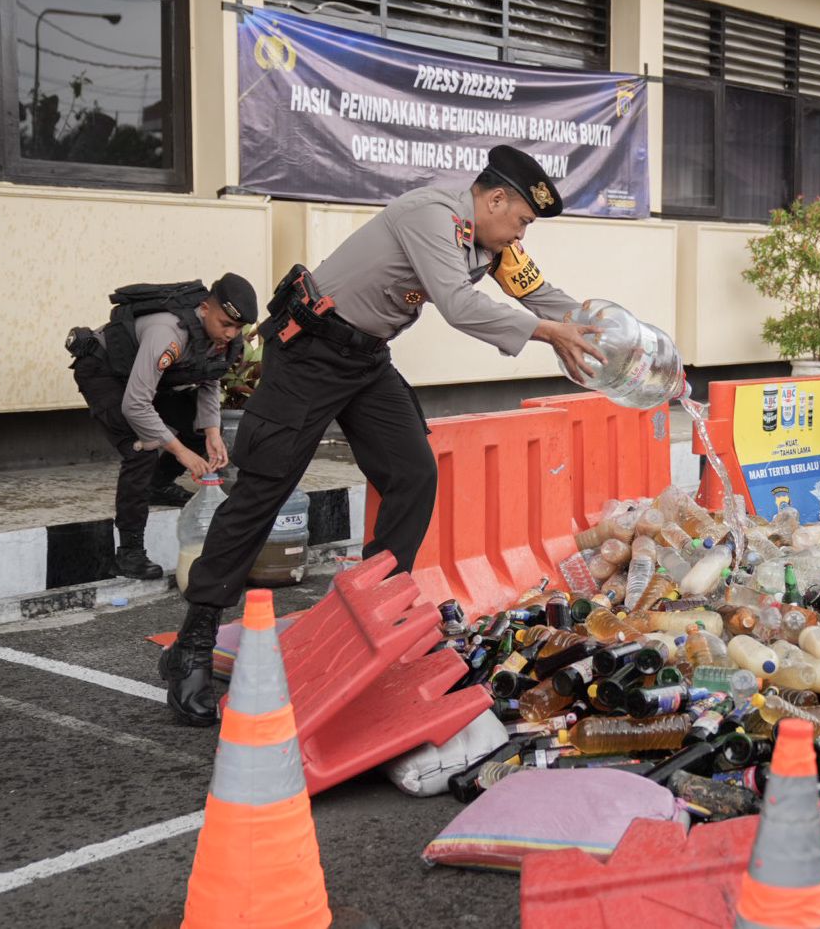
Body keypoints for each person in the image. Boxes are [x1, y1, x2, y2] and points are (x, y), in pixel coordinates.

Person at [159, 145, 606, 726]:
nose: (521, 235)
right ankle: (192, 643)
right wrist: (552, 335)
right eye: (521, 220)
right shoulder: (434, 217)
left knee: (412, 473)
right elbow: (459, 304)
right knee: (262, 491)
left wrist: (598, 330)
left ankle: (374, 616)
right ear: (495, 198)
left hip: (366, 359)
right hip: (310, 350)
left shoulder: (492, 242)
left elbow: (540, 295)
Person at [67, 275, 256, 580]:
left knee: (199, 427)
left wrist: (211, 433)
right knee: (142, 446)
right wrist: (181, 452)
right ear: (205, 308)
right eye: (225, 324)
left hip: (141, 378)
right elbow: (135, 405)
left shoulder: (220, 337)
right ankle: (129, 554)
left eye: (238, 328)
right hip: (103, 371)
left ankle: (156, 485)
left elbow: (209, 379)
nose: (232, 334)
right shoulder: (168, 333)